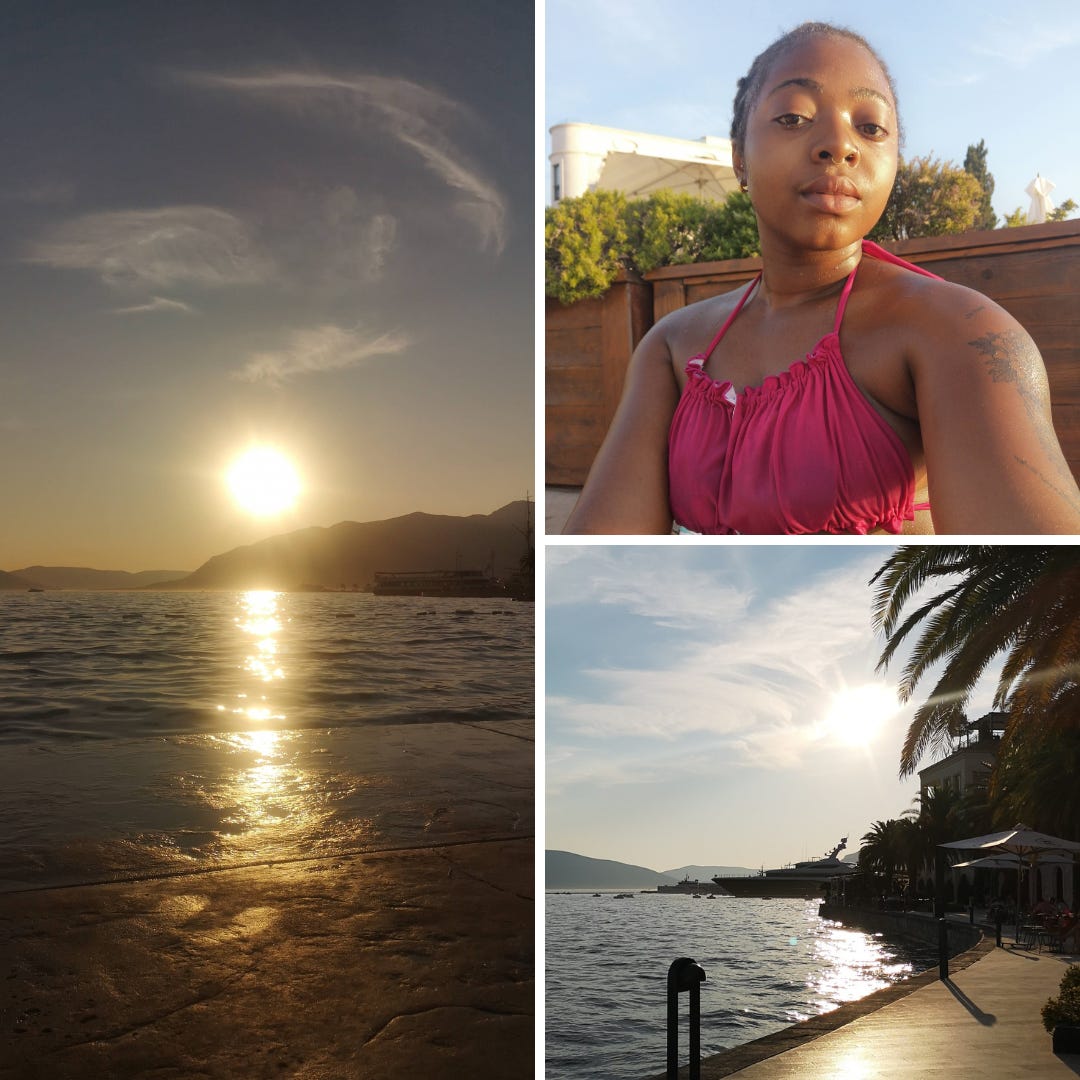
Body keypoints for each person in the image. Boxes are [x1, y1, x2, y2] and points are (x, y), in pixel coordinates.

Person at [563, 22, 1080, 535]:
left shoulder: (961, 334)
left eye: (870, 127)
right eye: (793, 117)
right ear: (739, 157)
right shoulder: (673, 345)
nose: (839, 145)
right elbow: (596, 558)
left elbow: (1036, 588)